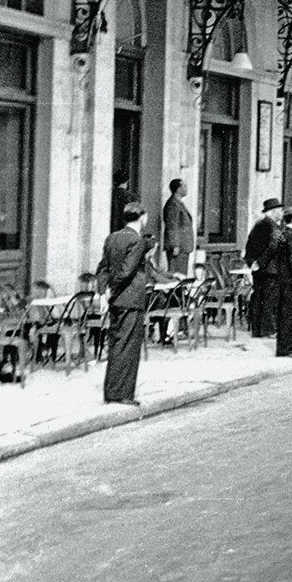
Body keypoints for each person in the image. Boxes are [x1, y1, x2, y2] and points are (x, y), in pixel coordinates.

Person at [97, 202, 152, 406]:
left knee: (116, 344)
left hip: (116, 302)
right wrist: (111, 290)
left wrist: (103, 293)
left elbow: (103, 267)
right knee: (129, 346)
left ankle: (111, 391)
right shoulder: (137, 241)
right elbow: (127, 271)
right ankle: (123, 393)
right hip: (130, 298)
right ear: (142, 217)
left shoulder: (112, 237)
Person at [262, 205, 292, 358]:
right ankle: (287, 348)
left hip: (283, 280)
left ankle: (284, 347)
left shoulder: (283, 233)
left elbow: (270, 251)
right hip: (291, 282)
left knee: (285, 314)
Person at [244, 198, 284, 338]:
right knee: (269, 300)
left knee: (259, 297)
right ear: (273, 212)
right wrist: (260, 262)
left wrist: (252, 263)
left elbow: (249, 246)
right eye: (279, 210)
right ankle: (269, 330)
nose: (282, 213)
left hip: (259, 269)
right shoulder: (273, 226)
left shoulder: (259, 225)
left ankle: (258, 330)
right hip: (270, 268)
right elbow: (274, 246)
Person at [161, 179, 194, 276]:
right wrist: (174, 245)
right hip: (178, 248)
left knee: (182, 275)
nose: (187, 188)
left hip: (183, 247)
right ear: (178, 189)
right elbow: (172, 225)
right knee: (177, 275)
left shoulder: (179, 203)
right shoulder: (172, 204)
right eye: (184, 186)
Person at [110, 171, 137, 235]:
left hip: (112, 230)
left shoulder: (110, 195)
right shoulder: (131, 196)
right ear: (127, 182)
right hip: (125, 229)